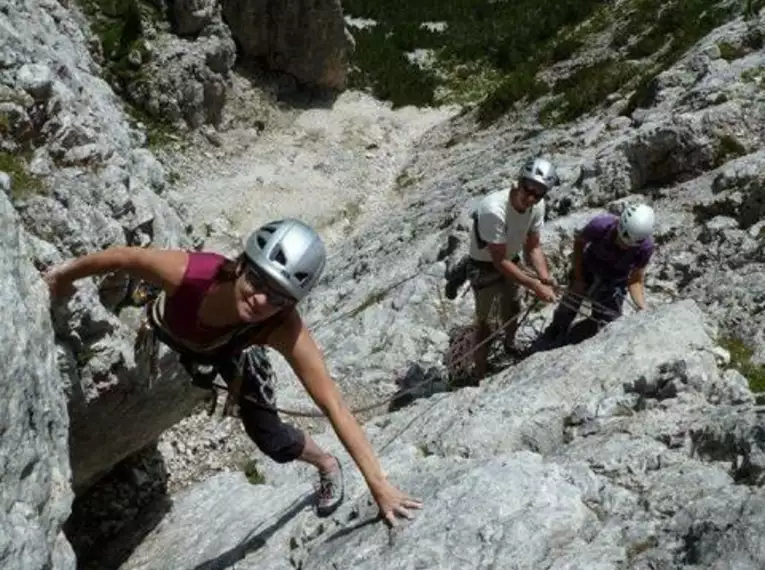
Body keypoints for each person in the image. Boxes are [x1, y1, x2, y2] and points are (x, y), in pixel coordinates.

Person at [43, 218, 422, 526]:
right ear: (240, 264)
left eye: (278, 298)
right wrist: (63, 276)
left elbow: (334, 405)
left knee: (271, 440)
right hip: (174, 328)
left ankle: (325, 462)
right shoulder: (191, 274)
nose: (260, 300)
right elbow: (123, 256)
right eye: (258, 282)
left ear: (290, 305)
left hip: (230, 354)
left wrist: (379, 486)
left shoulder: (282, 326)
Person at [462, 157, 559, 379]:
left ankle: (509, 344)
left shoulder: (537, 206)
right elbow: (498, 260)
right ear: (518, 182)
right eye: (528, 189)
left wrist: (544, 277)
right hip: (485, 267)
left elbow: (533, 246)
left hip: (510, 259)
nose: (532, 197)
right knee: (486, 325)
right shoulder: (493, 209)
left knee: (513, 307)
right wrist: (535, 284)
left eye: (539, 193)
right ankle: (479, 371)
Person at [539, 203, 655, 347]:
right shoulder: (601, 225)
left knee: (608, 321)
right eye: (622, 238)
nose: (624, 246)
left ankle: (578, 339)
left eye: (630, 245)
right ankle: (556, 329)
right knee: (570, 303)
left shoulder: (645, 248)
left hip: (615, 280)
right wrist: (579, 278)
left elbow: (635, 280)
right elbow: (579, 245)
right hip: (590, 267)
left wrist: (641, 306)